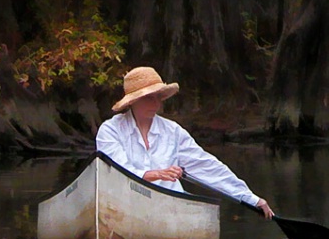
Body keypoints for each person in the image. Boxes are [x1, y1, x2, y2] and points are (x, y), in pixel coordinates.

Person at [96, 66, 275, 219]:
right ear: (133, 101)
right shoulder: (111, 130)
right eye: (148, 97)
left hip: (170, 208)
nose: (156, 103)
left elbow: (206, 166)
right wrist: (155, 174)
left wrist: (251, 198)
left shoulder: (172, 131)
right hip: (125, 205)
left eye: (158, 96)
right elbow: (117, 170)